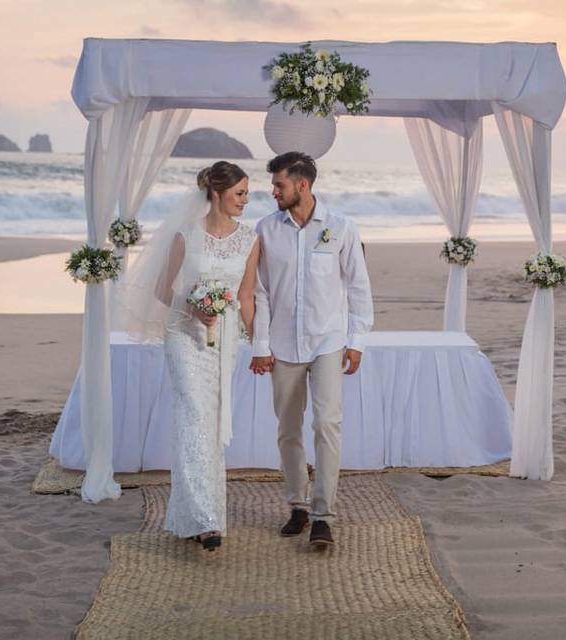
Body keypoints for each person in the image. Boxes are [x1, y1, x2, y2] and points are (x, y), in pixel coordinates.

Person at [116, 161, 259, 551]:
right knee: (194, 412)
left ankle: (197, 514)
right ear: (216, 193)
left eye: (246, 193)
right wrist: (194, 308)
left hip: (224, 340)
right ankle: (204, 519)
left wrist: (259, 343)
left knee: (210, 424)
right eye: (239, 193)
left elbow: (245, 297)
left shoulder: (249, 239)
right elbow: (164, 291)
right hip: (184, 334)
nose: (246, 201)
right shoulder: (185, 236)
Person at [250, 152, 373, 548]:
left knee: (328, 425)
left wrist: (356, 341)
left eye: (279, 185)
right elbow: (260, 291)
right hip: (283, 344)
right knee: (288, 429)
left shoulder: (341, 228)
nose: (273, 192)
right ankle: (298, 506)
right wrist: (262, 345)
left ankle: (323, 514)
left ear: (301, 185)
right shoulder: (265, 230)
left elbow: (358, 287)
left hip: (328, 342)